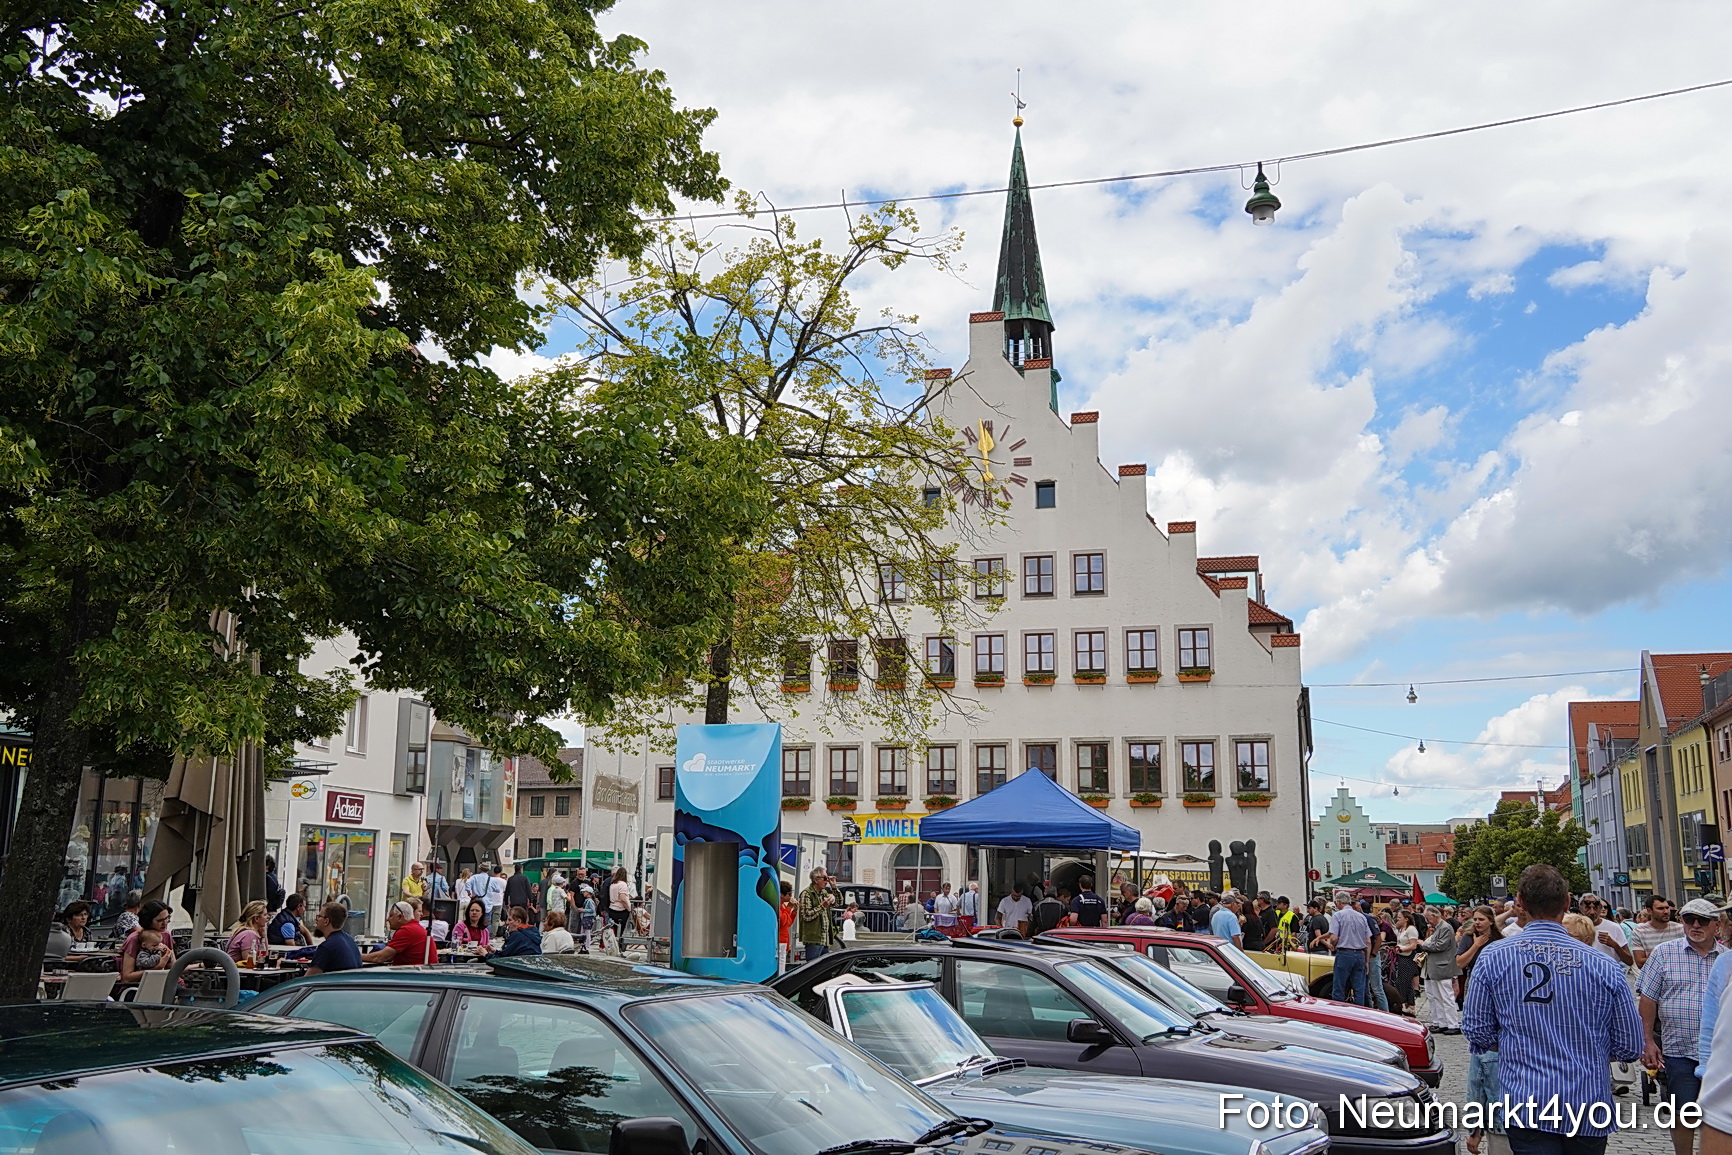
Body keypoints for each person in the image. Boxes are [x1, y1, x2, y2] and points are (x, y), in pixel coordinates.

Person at [1464, 865, 1642, 1155]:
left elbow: (1477, 1032)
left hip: (1527, 1099)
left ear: (1519, 902)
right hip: (1587, 1100)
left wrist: (1515, 1041)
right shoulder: (1605, 965)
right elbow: (1630, 1046)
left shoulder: (1494, 957)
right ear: (1567, 902)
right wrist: (1592, 1048)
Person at [1638, 896, 1726, 1155]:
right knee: (1683, 1111)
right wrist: (1648, 1041)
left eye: (1703, 920)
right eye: (1689, 920)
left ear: (1717, 925)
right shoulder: (1664, 954)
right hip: (1679, 1049)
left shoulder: (1726, 958)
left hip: (1721, 1053)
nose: (1695, 925)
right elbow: (1647, 999)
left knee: (1720, 1115)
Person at [1416, 905, 1462, 1031]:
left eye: (1428, 918)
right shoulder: (1438, 928)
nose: (1427, 921)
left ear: (1434, 916)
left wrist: (1423, 944)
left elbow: (1439, 946)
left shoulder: (1445, 928)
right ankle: (1441, 1023)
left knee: (1447, 997)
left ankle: (1453, 1024)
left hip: (1443, 967)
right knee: (1437, 996)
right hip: (1436, 967)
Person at [1327, 890, 1374, 1006]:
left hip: (1344, 953)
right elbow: (1368, 941)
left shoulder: (1338, 915)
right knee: (1359, 989)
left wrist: (1333, 944)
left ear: (1338, 902)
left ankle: (1340, 1014)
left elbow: (1333, 937)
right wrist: (1367, 961)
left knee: (1339, 987)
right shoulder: (1361, 917)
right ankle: (1358, 1013)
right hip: (1360, 955)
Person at [362, 901, 434, 965]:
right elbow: (389, 956)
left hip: (410, 976)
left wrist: (356, 956)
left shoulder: (407, 930)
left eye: (391, 915)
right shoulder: (416, 928)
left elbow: (379, 957)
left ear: (400, 917)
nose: (388, 919)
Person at [119, 900, 174, 983]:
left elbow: (174, 966)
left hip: (163, 982)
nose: (165, 923)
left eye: (167, 918)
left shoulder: (166, 934)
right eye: (160, 921)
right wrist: (157, 968)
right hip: (139, 986)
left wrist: (199, 965)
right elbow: (127, 977)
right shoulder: (134, 938)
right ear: (148, 921)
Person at [305, 902, 361, 975]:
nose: (316, 920)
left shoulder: (326, 948)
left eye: (319, 916)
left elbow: (307, 980)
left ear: (326, 921)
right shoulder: (350, 940)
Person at [1580, 894, 1633, 967]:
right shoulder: (1575, 927)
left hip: (1609, 974)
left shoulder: (1614, 927)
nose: (1592, 912)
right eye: (1588, 908)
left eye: (1595, 908)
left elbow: (1629, 961)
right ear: (1581, 908)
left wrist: (1614, 945)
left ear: (1600, 909)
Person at [798, 867, 838, 961]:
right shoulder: (807, 893)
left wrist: (834, 888)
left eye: (827, 878)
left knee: (823, 970)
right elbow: (806, 916)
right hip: (814, 939)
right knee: (812, 969)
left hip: (824, 939)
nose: (827, 881)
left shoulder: (823, 893)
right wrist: (823, 906)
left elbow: (839, 902)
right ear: (816, 880)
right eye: (825, 878)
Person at [1633, 895, 1684, 966]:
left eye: (1667, 908)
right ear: (1649, 911)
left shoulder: (1681, 929)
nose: (1666, 911)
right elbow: (1640, 962)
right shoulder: (1639, 931)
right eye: (1660, 908)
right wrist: (1672, 957)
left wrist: (1655, 958)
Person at [1393, 909, 1422, 1011]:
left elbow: (1413, 945)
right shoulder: (1402, 929)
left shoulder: (1411, 929)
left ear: (1406, 919)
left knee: (1404, 981)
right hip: (1401, 957)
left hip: (1408, 957)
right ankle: (1409, 1004)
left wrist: (1401, 949)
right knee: (1403, 981)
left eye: (1399, 917)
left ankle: (1404, 1002)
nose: (1397, 919)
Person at [777, 881, 797, 973]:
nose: (790, 896)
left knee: (782, 966)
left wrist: (793, 912)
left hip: (784, 941)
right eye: (789, 894)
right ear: (781, 895)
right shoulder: (779, 906)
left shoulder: (783, 906)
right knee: (780, 968)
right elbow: (782, 921)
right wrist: (789, 908)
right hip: (780, 941)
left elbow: (788, 923)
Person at [485, 864, 508, 933]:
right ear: (500, 872)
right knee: (496, 920)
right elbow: (504, 891)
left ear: (493, 872)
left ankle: (486, 934)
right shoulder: (504, 881)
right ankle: (493, 935)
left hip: (489, 902)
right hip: (498, 902)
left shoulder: (489, 880)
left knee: (488, 920)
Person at [578, 884, 597, 952]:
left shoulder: (589, 901)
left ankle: (587, 945)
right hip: (586, 916)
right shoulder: (588, 900)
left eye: (584, 892)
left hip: (588, 917)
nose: (583, 893)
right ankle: (585, 944)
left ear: (588, 893)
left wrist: (583, 910)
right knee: (585, 931)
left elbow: (592, 910)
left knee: (587, 931)